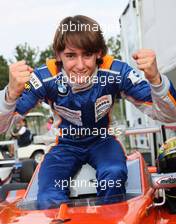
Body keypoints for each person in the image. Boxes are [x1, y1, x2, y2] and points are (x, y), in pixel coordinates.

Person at [0, 15, 176, 209]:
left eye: (88, 54)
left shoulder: (116, 71)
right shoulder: (44, 77)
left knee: (114, 174)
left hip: (103, 141)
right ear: (58, 55)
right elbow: (3, 128)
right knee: (48, 193)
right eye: (70, 55)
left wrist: (156, 81)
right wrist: (9, 95)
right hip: (65, 145)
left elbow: (169, 115)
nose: (81, 65)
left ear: (99, 53)